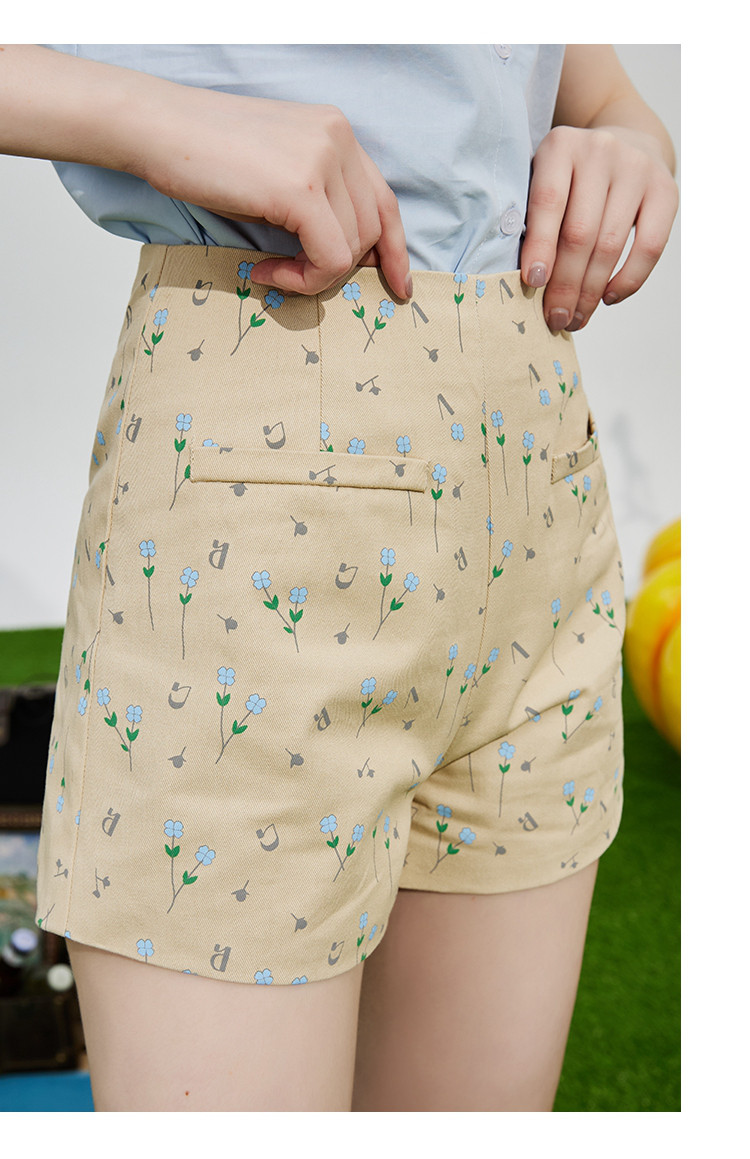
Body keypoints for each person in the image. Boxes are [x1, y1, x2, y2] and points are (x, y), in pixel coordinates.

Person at [1, 44, 678, 1112]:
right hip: (255, 475)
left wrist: (627, 133)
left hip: (537, 471)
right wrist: (157, 119)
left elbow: (581, 79)